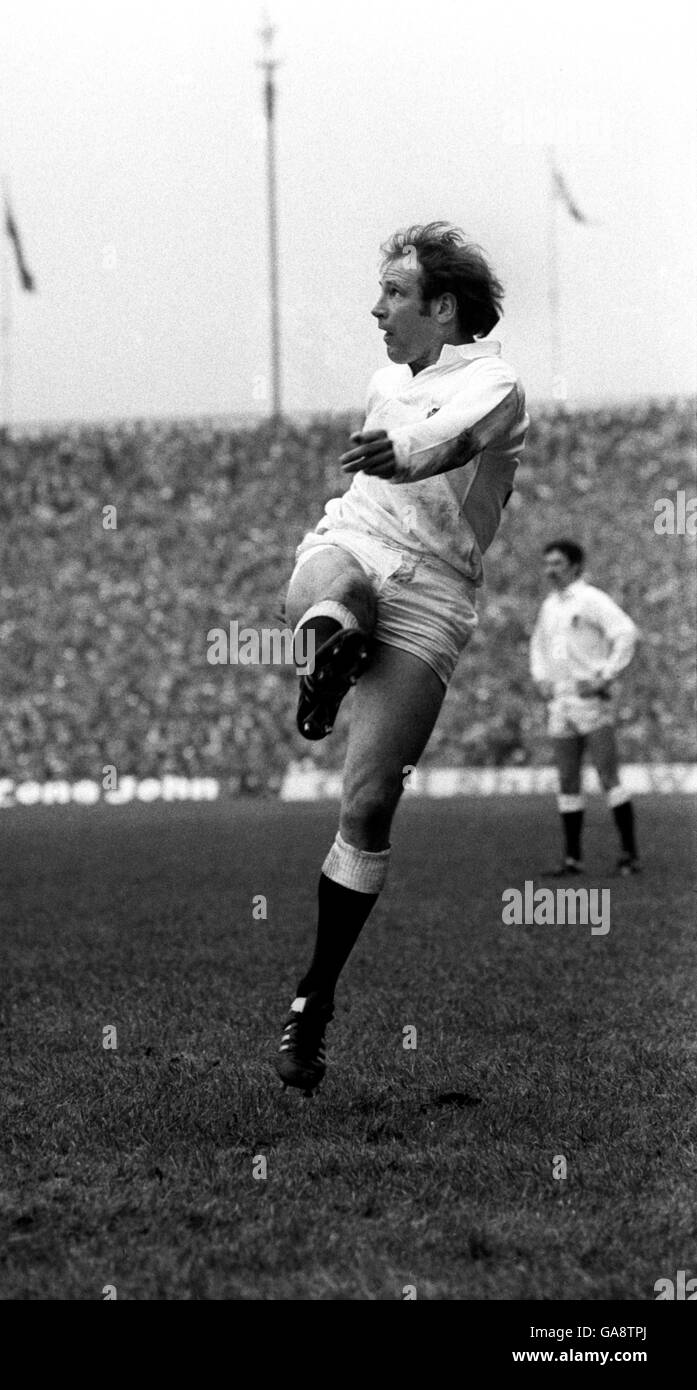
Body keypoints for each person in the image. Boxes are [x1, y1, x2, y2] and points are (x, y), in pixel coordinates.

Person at [274, 222, 529, 1095]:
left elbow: (455, 439)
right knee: (330, 585)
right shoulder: (385, 380)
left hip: (435, 587)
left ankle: (314, 998)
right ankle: (328, 648)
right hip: (357, 539)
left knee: (371, 801)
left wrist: (405, 451)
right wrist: (384, 459)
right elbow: (381, 468)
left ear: (442, 306)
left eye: (392, 292)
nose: (376, 307)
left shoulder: (496, 383)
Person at [529, 539, 640, 877]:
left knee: (608, 776)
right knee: (567, 780)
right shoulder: (550, 606)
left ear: (575, 566)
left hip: (589, 699)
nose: (550, 569)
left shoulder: (591, 599)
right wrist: (541, 678)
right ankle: (572, 859)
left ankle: (629, 854)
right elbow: (538, 646)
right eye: (547, 563)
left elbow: (626, 632)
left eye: (557, 563)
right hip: (560, 701)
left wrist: (604, 675)